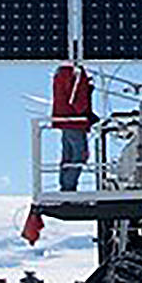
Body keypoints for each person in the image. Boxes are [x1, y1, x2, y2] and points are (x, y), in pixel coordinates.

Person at [51, 62, 95, 191]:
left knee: (68, 155)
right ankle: (69, 186)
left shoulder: (60, 73)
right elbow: (76, 98)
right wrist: (86, 112)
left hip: (65, 120)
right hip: (75, 121)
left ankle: (65, 184)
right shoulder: (76, 73)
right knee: (80, 155)